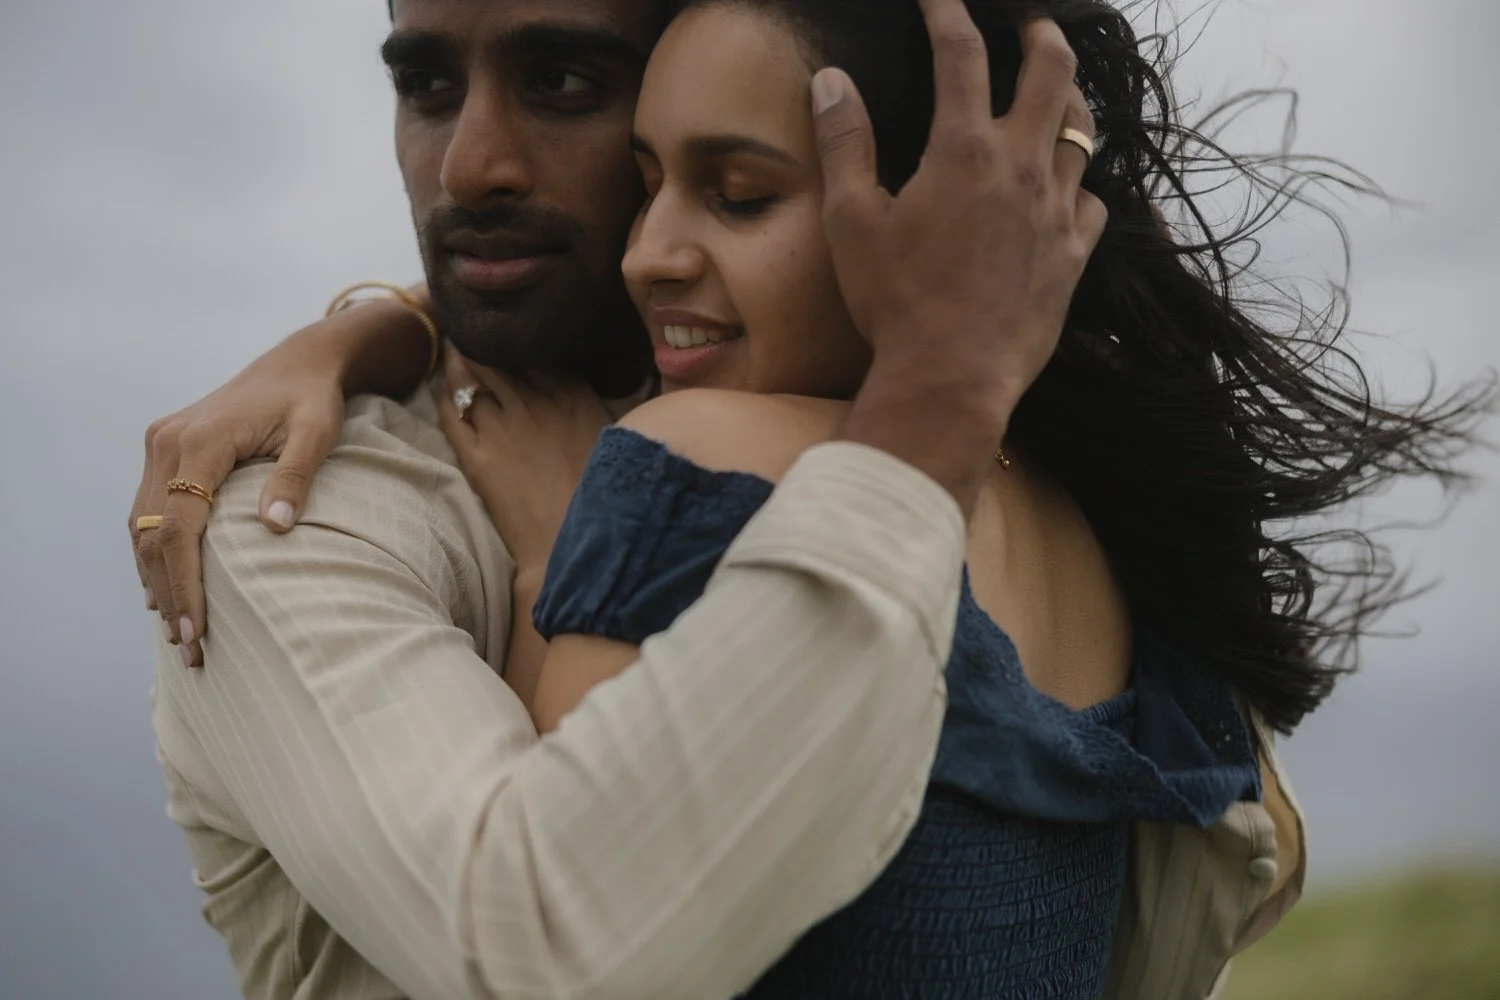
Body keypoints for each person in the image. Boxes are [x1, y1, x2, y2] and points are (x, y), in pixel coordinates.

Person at [131, 0, 1483, 996]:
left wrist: (574, 553)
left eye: (562, 80)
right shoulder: (284, 519)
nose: (470, 162)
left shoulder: (771, 451)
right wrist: (380, 330)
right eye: (426, 84)